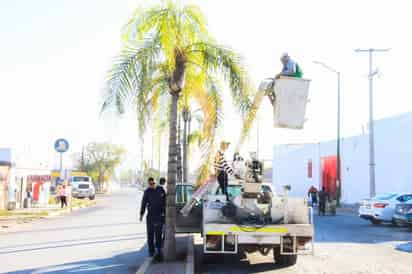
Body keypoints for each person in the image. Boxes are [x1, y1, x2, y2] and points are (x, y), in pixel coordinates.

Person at [140, 177, 166, 258]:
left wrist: (165, 213)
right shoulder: (147, 192)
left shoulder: (161, 189)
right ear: (149, 184)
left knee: (159, 233)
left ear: (156, 182)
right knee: (150, 234)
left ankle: (159, 250)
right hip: (150, 216)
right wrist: (141, 214)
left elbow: (166, 201)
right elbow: (143, 203)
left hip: (160, 215)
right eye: (151, 184)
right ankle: (151, 251)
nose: (153, 185)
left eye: (154, 183)